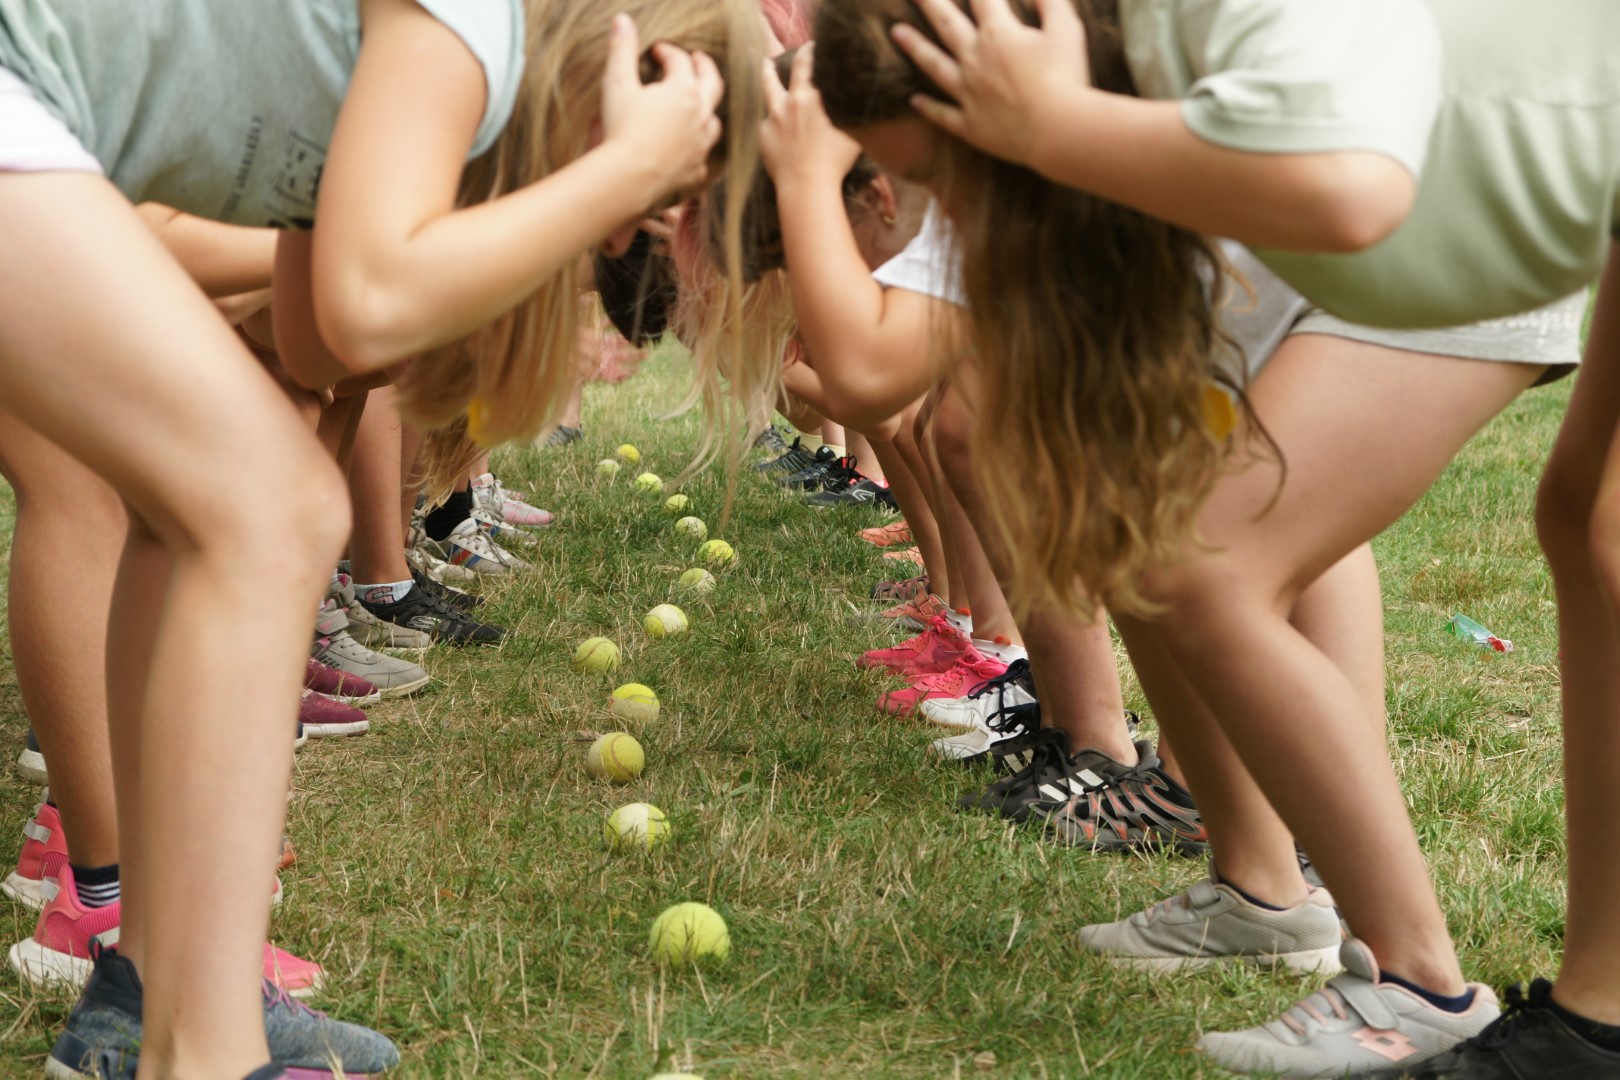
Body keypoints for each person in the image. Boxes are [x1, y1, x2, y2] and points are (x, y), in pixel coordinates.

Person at [813, 1, 1620, 1076]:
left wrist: (1047, 127)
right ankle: (1296, 902)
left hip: (1467, 201)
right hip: (1459, 197)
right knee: (1580, 524)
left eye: (947, 175)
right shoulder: (1130, 70)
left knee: (1205, 562)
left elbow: (1349, 188)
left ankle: (1419, 982)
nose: (953, 214)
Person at [0, 1, 763, 1075]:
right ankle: (202, 1054)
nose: (623, 236)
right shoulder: (480, 19)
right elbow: (360, 306)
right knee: (274, 504)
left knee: (216, 498)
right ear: (636, 70)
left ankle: (147, 994)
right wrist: (617, 173)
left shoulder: (452, 86)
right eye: (659, 199)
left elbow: (313, 345)